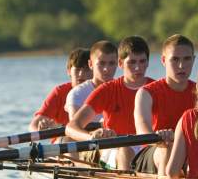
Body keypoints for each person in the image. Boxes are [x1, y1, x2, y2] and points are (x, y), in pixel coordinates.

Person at [66, 35, 153, 170]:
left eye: (142, 62)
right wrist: (91, 136)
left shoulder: (156, 88)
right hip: (114, 148)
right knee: (125, 150)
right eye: (132, 62)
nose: (137, 68)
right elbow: (71, 127)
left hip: (148, 148)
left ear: (148, 62)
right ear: (121, 63)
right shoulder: (107, 90)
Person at [132, 34, 197, 175]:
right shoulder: (146, 93)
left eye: (187, 59)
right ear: (163, 60)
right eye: (175, 59)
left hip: (187, 152)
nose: (181, 65)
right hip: (153, 151)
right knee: (167, 147)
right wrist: (160, 138)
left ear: (193, 60)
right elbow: (143, 132)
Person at [29, 48, 92, 131]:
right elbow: (33, 125)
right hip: (63, 139)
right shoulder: (59, 92)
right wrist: (41, 128)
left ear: (93, 70)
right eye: (77, 69)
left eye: (86, 70)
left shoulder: (103, 90)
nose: (81, 74)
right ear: (69, 71)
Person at [64, 40, 118, 123]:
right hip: (90, 135)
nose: (106, 69)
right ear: (90, 64)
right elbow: (73, 128)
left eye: (111, 63)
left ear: (118, 64)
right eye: (102, 63)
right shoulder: (77, 93)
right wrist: (92, 134)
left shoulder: (123, 89)